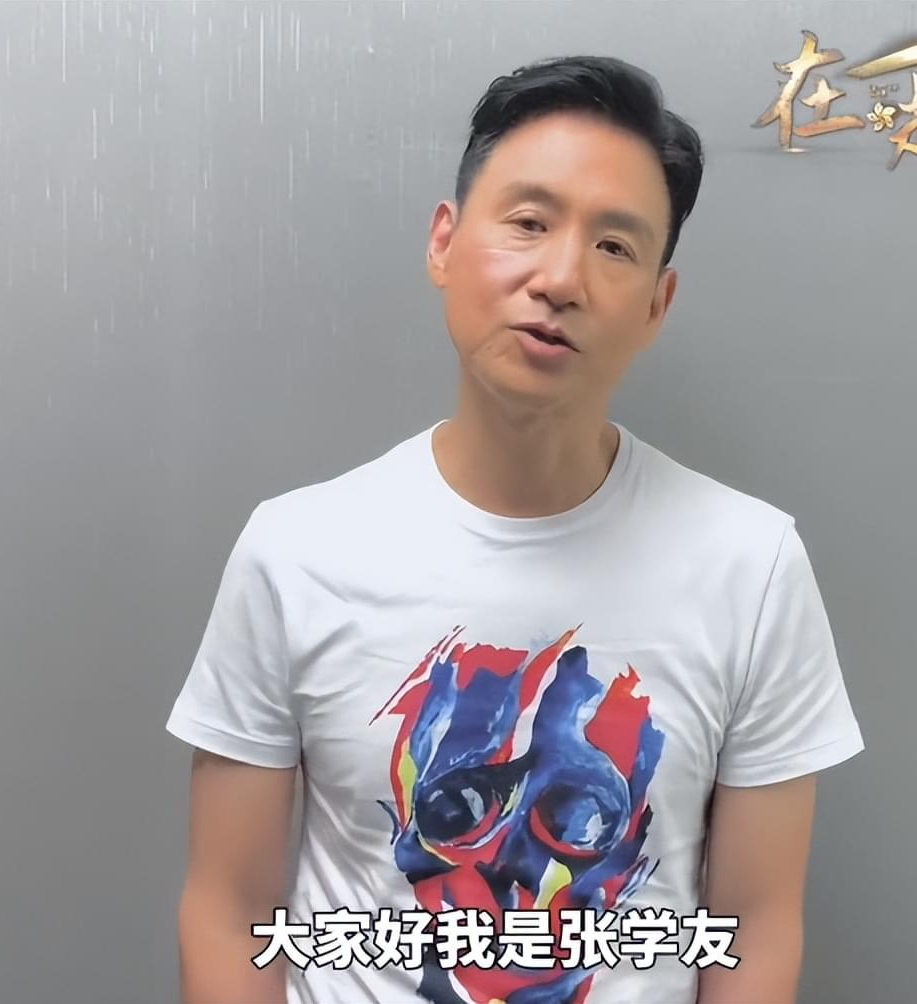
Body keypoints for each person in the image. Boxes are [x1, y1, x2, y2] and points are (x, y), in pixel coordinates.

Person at [165, 53, 864, 1004]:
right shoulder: (294, 552)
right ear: (445, 244)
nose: (561, 277)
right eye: (529, 223)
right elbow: (228, 907)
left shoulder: (753, 566)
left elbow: (757, 926)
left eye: (614, 246)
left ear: (656, 304)